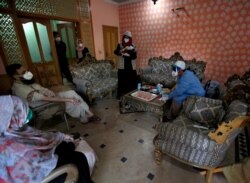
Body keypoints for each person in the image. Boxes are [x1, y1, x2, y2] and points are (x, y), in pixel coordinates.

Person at [0, 95, 94, 183]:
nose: (26, 113)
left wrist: (62, 137)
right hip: (42, 177)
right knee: (78, 157)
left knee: (61, 145)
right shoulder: (14, 149)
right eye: (21, 110)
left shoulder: (9, 130)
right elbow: (45, 161)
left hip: (36, 163)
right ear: (12, 116)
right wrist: (70, 145)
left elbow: (39, 137)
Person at [5, 63, 100, 123]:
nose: (27, 73)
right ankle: (84, 116)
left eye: (27, 70)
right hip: (43, 106)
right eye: (24, 72)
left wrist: (48, 91)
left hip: (49, 99)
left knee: (71, 92)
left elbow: (42, 89)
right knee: (71, 100)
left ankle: (88, 113)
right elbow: (43, 98)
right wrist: (68, 99)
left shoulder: (26, 81)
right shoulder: (18, 88)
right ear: (16, 76)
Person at [114, 31, 138, 99]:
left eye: (127, 38)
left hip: (131, 66)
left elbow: (135, 56)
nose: (126, 39)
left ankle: (131, 95)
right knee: (121, 81)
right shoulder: (120, 45)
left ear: (130, 39)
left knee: (131, 81)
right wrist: (122, 53)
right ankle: (120, 95)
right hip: (122, 66)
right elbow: (115, 52)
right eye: (125, 38)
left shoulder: (133, 46)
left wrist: (128, 55)